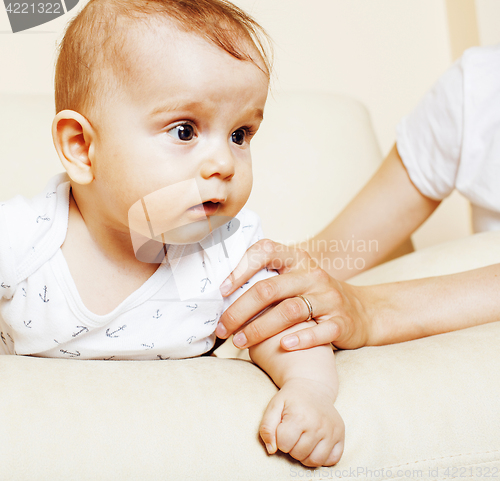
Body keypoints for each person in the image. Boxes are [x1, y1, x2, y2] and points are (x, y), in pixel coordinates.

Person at [0, 0, 344, 467]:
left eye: (240, 134)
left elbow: (285, 331)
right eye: (185, 131)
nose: (223, 163)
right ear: (82, 147)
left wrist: (310, 390)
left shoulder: (227, 252)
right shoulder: (24, 238)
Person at [215, 43, 500, 352]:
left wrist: (370, 310)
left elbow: (360, 302)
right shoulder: (479, 84)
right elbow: (334, 253)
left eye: (239, 136)